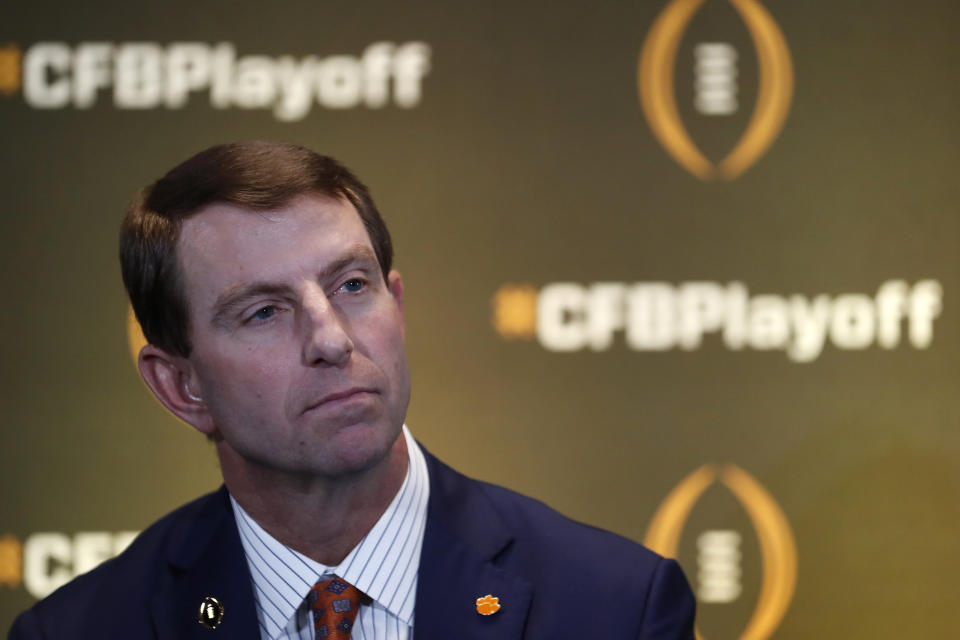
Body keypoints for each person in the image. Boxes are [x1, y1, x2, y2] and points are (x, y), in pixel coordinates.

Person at [8, 142, 695, 639]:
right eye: (264, 312)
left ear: (396, 303)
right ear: (181, 386)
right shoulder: (80, 630)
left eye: (352, 286)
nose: (332, 339)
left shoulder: (615, 607)